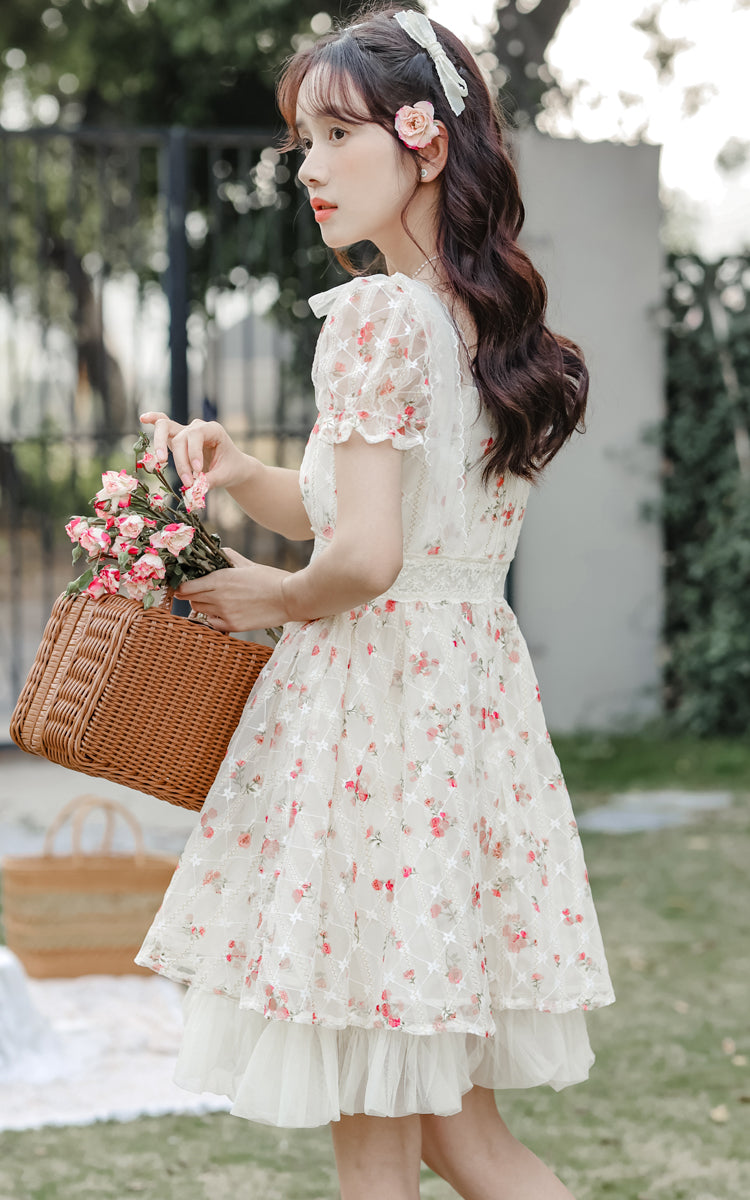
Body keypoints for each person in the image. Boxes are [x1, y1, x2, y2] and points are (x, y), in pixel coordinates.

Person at [136, 6, 615, 1198]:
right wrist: (244, 475)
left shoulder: (372, 319)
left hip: (373, 731)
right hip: (461, 724)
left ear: (426, 141)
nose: (309, 167)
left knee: (376, 1141)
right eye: (303, 140)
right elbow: (370, 518)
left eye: (338, 133)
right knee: (464, 1135)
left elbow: (361, 564)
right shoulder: (483, 326)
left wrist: (267, 596)